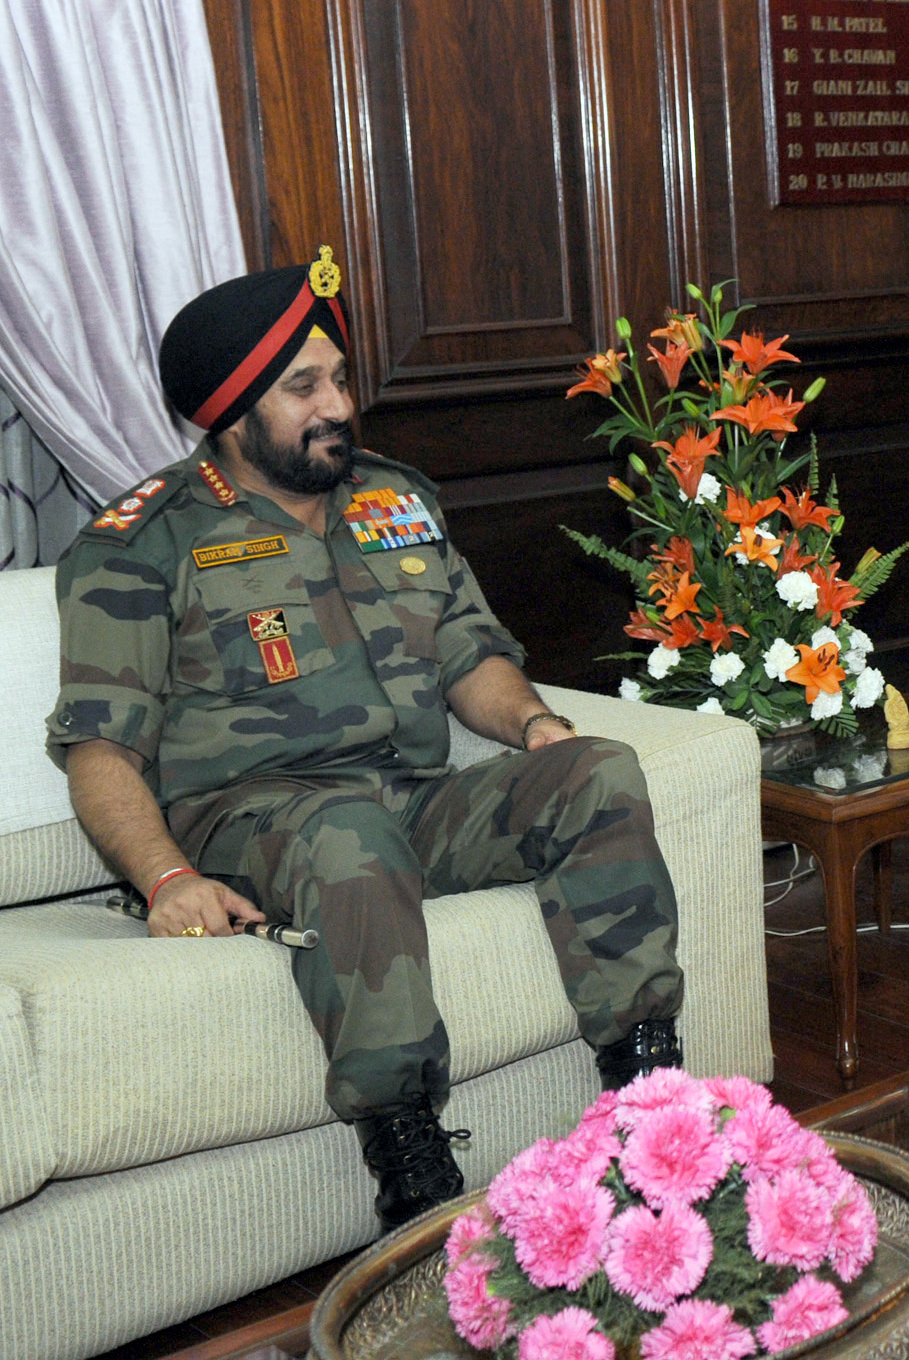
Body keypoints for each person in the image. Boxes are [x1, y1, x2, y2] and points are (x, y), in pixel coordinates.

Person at [46, 251, 687, 1230]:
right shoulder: (143, 543)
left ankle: (647, 1105)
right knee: (348, 831)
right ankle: (410, 1165)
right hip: (253, 818)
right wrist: (169, 881)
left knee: (596, 769)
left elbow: (470, 655)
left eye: (340, 377)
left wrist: (534, 725)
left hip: (411, 798)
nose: (338, 403)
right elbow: (101, 747)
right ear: (231, 408)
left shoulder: (396, 499)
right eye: (305, 386)